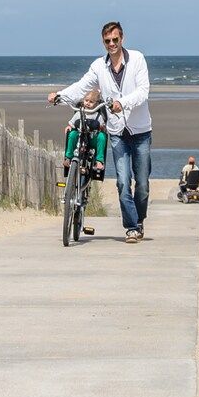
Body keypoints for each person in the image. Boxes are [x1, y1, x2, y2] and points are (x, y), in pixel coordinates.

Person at [49, 20, 152, 242]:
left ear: (122, 38)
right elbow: (82, 85)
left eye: (115, 39)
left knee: (142, 183)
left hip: (141, 130)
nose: (112, 44)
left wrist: (122, 103)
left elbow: (144, 91)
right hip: (117, 132)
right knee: (123, 181)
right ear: (103, 42)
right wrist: (60, 95)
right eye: (107, 41)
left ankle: (139, 219)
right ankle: (132, 227)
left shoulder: (137, 59)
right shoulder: (99, 66)